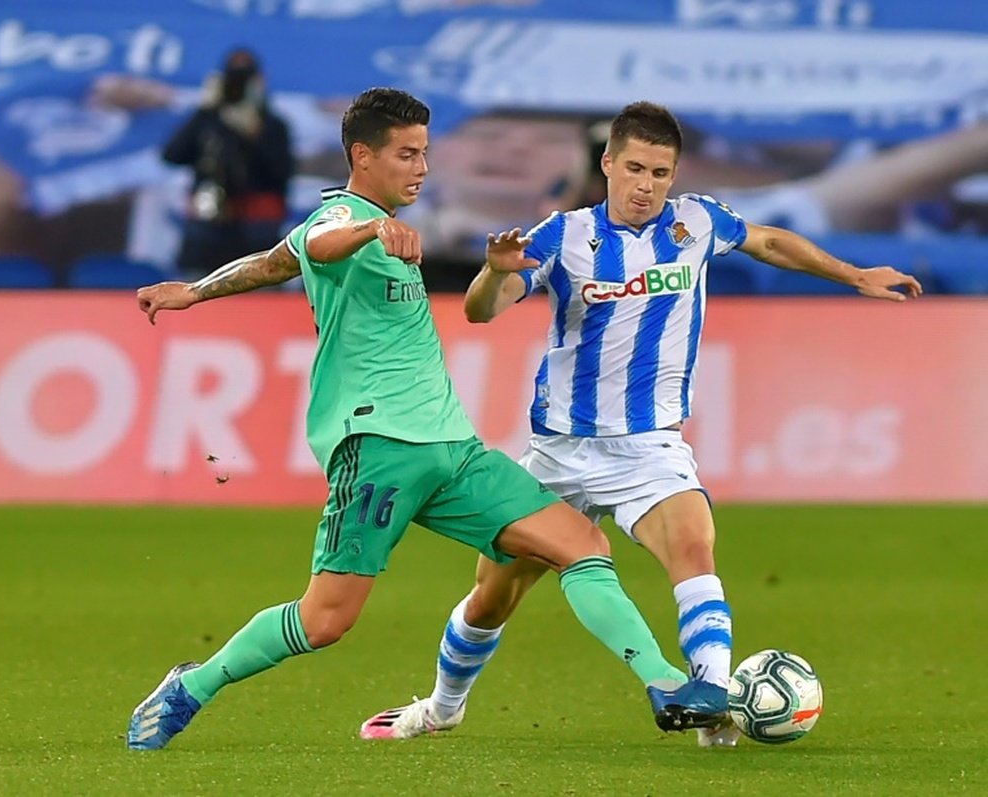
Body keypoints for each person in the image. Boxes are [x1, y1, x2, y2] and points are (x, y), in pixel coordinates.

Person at [125, 88, 716, 751]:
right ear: (362, 156)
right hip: (376, 448)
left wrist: (197, 290)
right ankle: (193, 684)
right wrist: (371, 228)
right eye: (407, 154)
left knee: (581, 543)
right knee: (324, 621)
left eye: (426, 153)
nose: (422, 168)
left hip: (452, 449)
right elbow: (318, 246)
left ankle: (666, 683)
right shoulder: (345, 219)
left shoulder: (373, 220)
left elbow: (272, 262)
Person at [358, 101, 923, 747]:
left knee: (693, 547)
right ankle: (441, 706)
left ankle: (709, 700)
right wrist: (494, 272)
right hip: (559, 452)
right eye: (634, 168)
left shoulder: (697, 222)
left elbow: (767, 239)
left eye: (660, 171)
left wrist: (852, 274)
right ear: (607, 164)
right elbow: (486, 312)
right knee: (492, 596)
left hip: (648, 447)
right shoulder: (563, 234)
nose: (646, 184)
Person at [161, 48, 294, 279]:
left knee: (260, 296)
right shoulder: (208, 120)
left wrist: (254, 133)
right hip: (207, 224)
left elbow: (282, 172)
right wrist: (204, 110)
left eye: (246, 80)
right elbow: (172, 155)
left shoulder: (272, 125)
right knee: (196, 286)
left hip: (256, 226)